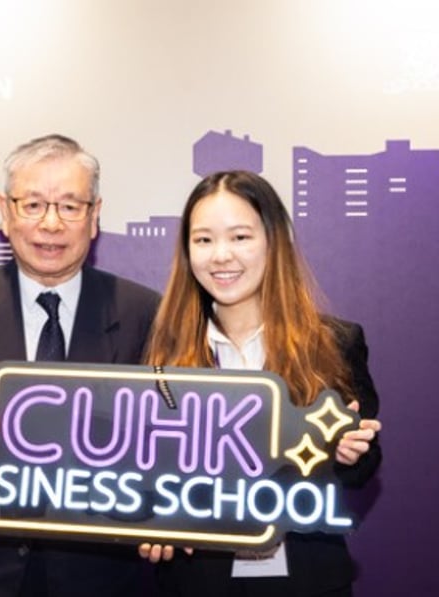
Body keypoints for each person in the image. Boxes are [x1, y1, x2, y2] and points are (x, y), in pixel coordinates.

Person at [0, 134, 162, 596]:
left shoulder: (142, 312)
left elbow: (165, 439)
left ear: (94, 217)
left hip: (101, 574)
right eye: (33, 205)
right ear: (3, 212)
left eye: (70, 206)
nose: (51, 224)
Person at [137, 170, 382, 596]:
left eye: (240, 237)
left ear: (273, 243)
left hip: (308, 581)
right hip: (197, 582)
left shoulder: (334, 342)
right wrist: (150, 520)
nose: (221, 256)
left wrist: (348, 452)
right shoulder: (162, 353)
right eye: (203, 240)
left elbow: (363, 468)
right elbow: (142, 470)